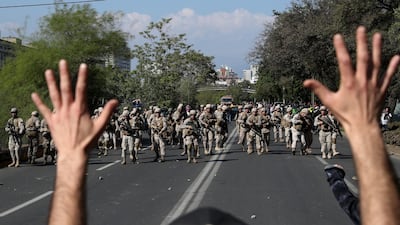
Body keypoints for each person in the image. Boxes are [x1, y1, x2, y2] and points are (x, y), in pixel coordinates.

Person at [34, 25, 400, 225]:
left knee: (234, 142)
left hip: (232, 132)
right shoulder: (168, 117)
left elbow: (252, 119)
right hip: (186, 135)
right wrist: (366, 131)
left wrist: (70, 160)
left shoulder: (261, 113)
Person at [303, 26, 400, 225]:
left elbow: (358, 208)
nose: (323, 112)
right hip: (319, 131)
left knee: (330, 145)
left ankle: (330, 157)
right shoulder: (316, 117)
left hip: (330, 132)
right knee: (322, 144)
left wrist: (363, 128)